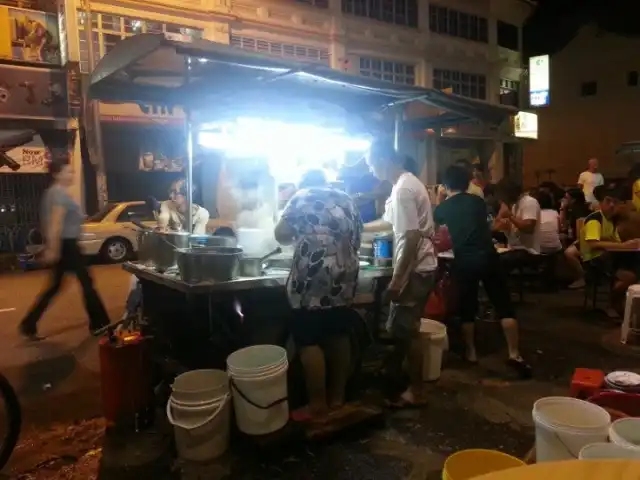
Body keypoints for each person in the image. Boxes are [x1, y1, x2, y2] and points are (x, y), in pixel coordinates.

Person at [274, 169, 362, 422]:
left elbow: (280, 235)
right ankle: (338, 398)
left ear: (303, 183)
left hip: (314, 275)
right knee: (338, 332)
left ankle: (317, 405)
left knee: (308, 338)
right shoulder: (347, 199)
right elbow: (357, 236)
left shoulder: (300, 196)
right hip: (345, 273)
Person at [434, 165, 531, 377]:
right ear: (467, 182)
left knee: (467, 307)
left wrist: (439, 198)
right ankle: (514, 353)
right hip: (489, 256)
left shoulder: (442, 208)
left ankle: (471, 352)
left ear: (445, 185)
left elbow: (438, 226)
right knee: (503, 304)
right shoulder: (477, 201)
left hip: (465, 261)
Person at [364, 140, 436, 408]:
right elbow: (389, 222)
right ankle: (394, 374)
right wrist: (356, 227)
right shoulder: (401, 186)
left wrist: (398, 280)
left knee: (408, 331)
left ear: (383, 158)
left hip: (416, 269)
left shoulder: (405, 188)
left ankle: (416, 391)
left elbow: (411, 235)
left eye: (371, 163)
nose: (371, 170)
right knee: (400, 327)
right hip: (417, 266)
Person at [19, 161, 110, 340]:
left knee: (55, 287)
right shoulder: (59, 194)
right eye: (68, 172)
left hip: (66, 244)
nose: (72, 175)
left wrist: (51, 245)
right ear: (56, 174)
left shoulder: (51, 193)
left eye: (72, 171)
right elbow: (55, 223)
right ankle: (101, 323)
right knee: (87, 283)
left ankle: (28, 324)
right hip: (67, 245)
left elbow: (51, 223)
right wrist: (53, 249)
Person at [579, 186, 640, 317]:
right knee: (632, 270)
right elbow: (593, 244)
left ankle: (621, 301)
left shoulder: (612, 220)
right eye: (608, 201)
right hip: (594, 260)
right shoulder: (595, 219)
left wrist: (630, 244)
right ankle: (613, 302)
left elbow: (614, 242)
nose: (612, 205)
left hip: (609, 257)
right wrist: (624, 246)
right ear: (601, 203)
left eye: (615, 202)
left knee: (634, 259)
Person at [494, 179, 541, 272]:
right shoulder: (515, 205)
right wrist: (500, 215)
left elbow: (528, 228)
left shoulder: (529, 202)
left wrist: (510, 216)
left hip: (528, 251)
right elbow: (496, 227)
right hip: (514, 248)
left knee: (499, 262)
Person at [561, 188, 591, 289]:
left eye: (566, 198)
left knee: (569, 253)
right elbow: (563, 226)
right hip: (576, 237)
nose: (563, 200)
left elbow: (581, 229)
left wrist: (576, 241)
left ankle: (582, 277)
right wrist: (563, 209)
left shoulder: (579, 210)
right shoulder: (571, 209)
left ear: (573, 199)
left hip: (586, 240)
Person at [535, 190, 562, 254]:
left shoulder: (534, 214)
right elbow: (559, 230)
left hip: (539, 248)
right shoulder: (555, 213)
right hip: (555, 247)